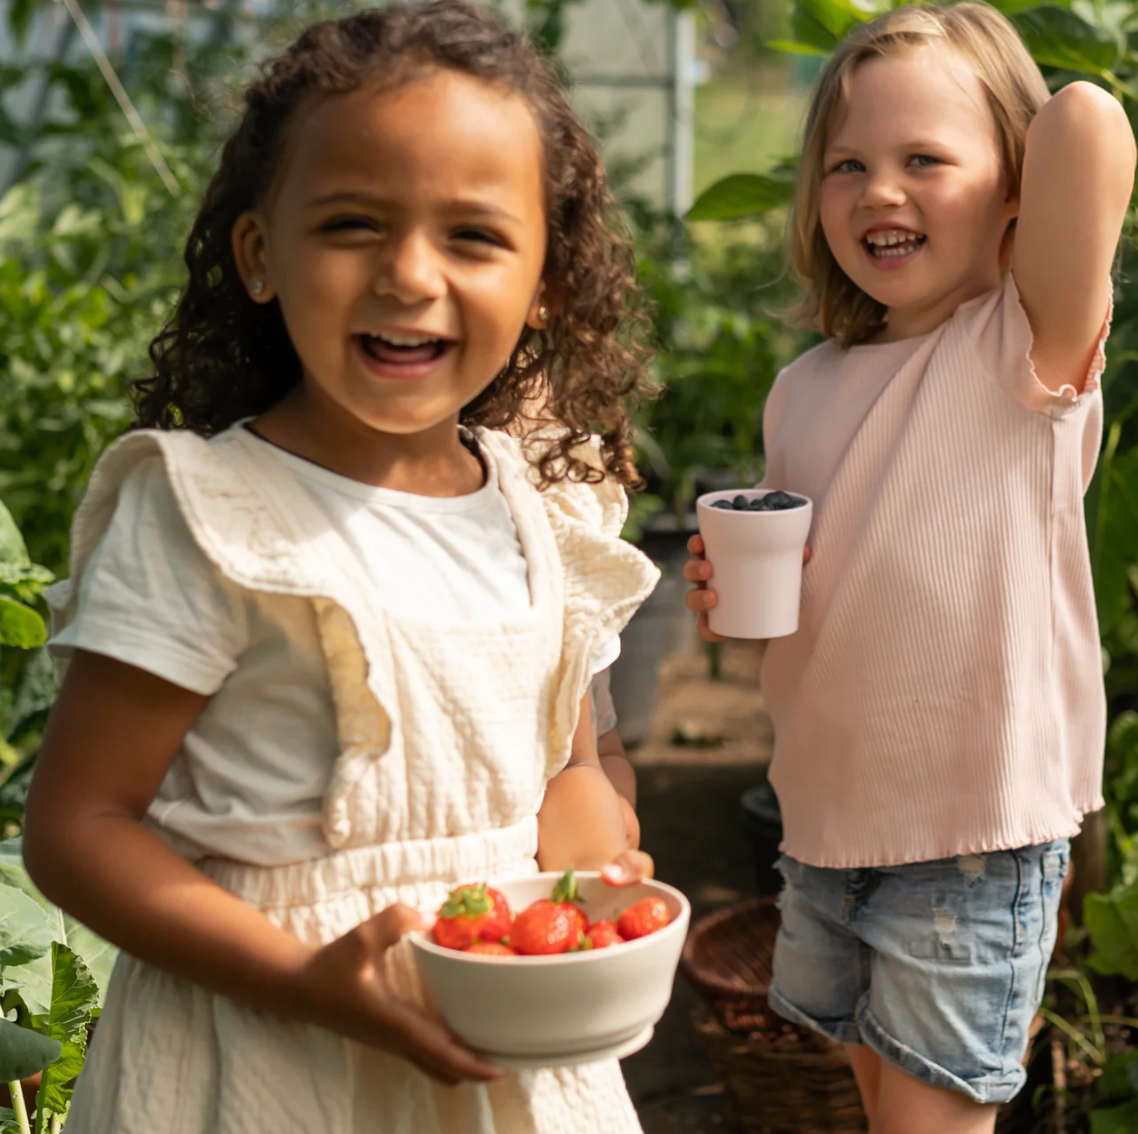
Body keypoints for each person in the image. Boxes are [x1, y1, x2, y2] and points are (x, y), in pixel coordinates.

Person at [20, 3, 661, 1131]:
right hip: (264, 1057)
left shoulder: (536, 513)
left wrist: (596, 858)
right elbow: (79, 831)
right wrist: (297, 980)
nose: (410, 274)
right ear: (261, 256)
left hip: (501, 1047)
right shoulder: (211, 516)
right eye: (354, 224)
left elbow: (564, 774)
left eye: (472, 236)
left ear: (547, 280)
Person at [684, 6, 1135, 1133]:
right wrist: (729, 598)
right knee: (879, 1106)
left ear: (1015, 191)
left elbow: (1089, 122)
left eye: (923, 160)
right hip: (829, 823)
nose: (879, 191)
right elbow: (822, 602)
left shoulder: (1019, 352)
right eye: (848, 165)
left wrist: (977, 65)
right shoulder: (805, 388)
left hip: (967, 836)